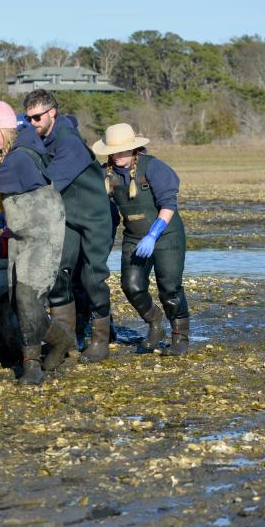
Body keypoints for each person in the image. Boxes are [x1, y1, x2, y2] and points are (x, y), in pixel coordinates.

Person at [0, 101, 72, 384]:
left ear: (6, 128)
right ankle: (61, 338)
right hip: (20, 232)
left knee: (28, 299)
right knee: (21, 301)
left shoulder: (19, 157)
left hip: (43, 234)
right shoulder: (13, 155)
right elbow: (0, 200)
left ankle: (32, 366)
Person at [24, 90, 115, 363]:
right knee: (59, 273)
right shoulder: (43, 137)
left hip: (95, 217)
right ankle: (68, 337)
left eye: (37, 117)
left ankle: (100, 339)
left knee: (92, 277)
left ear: (53, 112)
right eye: (27, 118)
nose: (32, 123)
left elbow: (47, 184)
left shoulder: (69, 143)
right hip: (68, 217)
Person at [93, 123, 190, 355]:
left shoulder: (154, 167)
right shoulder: (104, 172)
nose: (118, 155)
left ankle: (180, 336)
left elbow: (169, 205)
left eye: (123, 150)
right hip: (134, 236)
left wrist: (153, 235)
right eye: (113, 151)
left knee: (170, 287)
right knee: (132, 286)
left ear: (134, 149)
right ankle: (155, 323)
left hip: (166, 234)